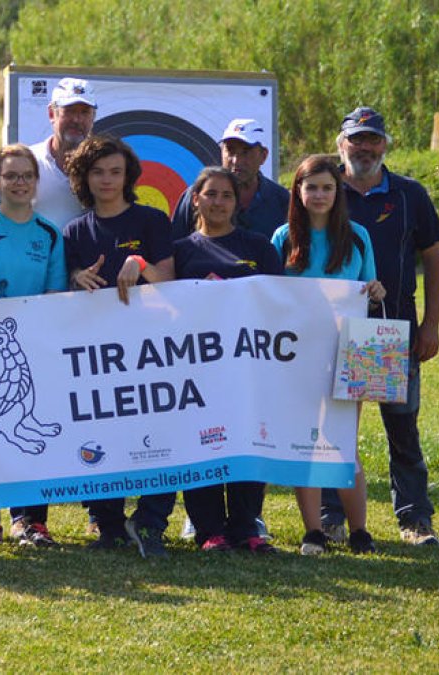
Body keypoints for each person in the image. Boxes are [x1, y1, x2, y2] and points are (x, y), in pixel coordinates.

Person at [330, 106, 439, 546]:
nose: (364, 147)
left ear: (385, 145)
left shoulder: (409, 193)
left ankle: (415, 520)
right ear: (342, 144)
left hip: (390, 331)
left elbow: (432, 260)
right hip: (333, 331)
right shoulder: (322, 188)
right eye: (356, 139)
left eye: (372, 139)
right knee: (337, 428)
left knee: (402, 431)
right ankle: (331, 514)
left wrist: (430, 325)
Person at [63, 135, 175, 557]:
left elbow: (172, 283)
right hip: (97, 354)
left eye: (115, 171)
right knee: (100, 431)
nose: (106, 180)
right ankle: (108, 522)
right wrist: (76, 277)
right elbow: (64, 290)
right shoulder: (74, 231)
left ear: (128, 176)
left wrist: (141, 265)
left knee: (161, 432)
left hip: (150, 349)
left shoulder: (152, 220)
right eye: (97, 172)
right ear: (83, 178)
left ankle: (150, 520)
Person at [270, 155, 385, 555]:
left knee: (343, 443)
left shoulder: (357, 237)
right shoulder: (283, 237)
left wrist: (375, 291)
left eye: (327, 187)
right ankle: (313, 531)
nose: (319, 195)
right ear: (298, 192)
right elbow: (270, 297)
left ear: (339, 192)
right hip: (297, 356)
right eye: (311, 187)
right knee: (307, 440)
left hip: (347, 354)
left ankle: (360, 531)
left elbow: (367, 285)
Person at [0, 144, 67, 546]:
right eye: (11, 176)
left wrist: (26, 332)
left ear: (36, 183)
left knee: (32, 429)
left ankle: (31, 520)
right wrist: (2, 330)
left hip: (33, 348)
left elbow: (55, 293)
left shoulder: (49, 233)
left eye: (27, 175)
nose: (19, 183)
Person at [172, 166, 283, 553]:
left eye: (227, 196)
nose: (218, 202)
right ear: (195, 199)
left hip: (249, 367)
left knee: (248, 442)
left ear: (237, 204)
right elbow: (164, 309)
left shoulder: (259, 248)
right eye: (211, 194)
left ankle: (246, 526)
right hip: (195, 369)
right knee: (200, 443)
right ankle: (209, 530)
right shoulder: (180, 251)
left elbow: (280, 304)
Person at [170, 118, 290, 241]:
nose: (236, 161)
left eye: (245, 152)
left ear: (263, 156)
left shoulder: (281, 199)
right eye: (230, 150)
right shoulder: (197, 195)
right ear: (222, 152)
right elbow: (175, 246)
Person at [28, 77, 96, 229]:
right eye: (69, 111)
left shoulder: (104, 168)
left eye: (85, 112)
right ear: (52, 113)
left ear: (93, 118)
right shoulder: (26, 161)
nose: (77, 120)